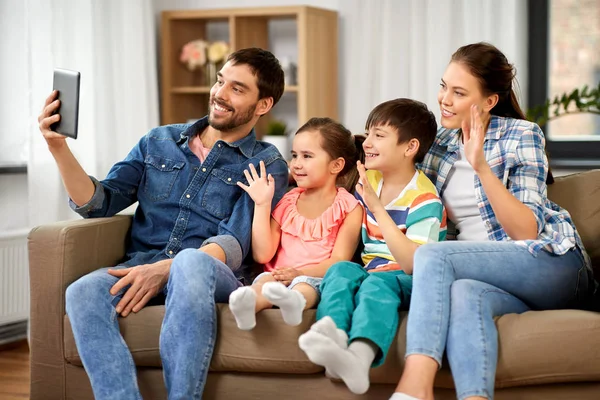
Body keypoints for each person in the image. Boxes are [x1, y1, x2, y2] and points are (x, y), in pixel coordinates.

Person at [37, 47, 290, 400]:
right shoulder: (159, 141)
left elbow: (234, 244)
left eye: (237, 88)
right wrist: (57, 148)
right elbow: (100, 203)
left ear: (263, 105)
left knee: (189, 262)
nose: (219, 94)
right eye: (220, 81)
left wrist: (166, 270)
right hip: (143, 264)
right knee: (81, 292)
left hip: (209, 273)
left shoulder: (267, 162)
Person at [392, 42, 596, 400]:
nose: (444, 99)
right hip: (486, 276)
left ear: (488, 101)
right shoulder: (438, 142)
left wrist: (481, 165)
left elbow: (526, 232)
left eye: (458, 92)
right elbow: (401, 183)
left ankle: (415, 386)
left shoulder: (522, 134)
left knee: (434, 255)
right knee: (464, 292)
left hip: (551, 263)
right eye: (443, 86)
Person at [298, 99, 447, 395]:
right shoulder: (371, 178)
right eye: (368, 134)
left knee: (377, 284)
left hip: (410, 278)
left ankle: (360, 357)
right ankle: (333, 338)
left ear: (409, 147)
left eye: (379, 135)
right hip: (372, 270)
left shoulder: (425, 200)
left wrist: (377, 209)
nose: (368, 143)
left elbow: (413, 264)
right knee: (340, 270)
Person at [228, 117, 364, 330]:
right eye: (294, 156)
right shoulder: (288, 201)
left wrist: (299, 274)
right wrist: (262, 204)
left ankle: (292, 303)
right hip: (276, 276)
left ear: (336, 165)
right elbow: (263, 255)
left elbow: (339, 261)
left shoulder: (350, 207)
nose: (296, 164)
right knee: (264, 282)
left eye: (307, 156)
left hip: (314, 278)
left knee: (305, 288)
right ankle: (248, 306)